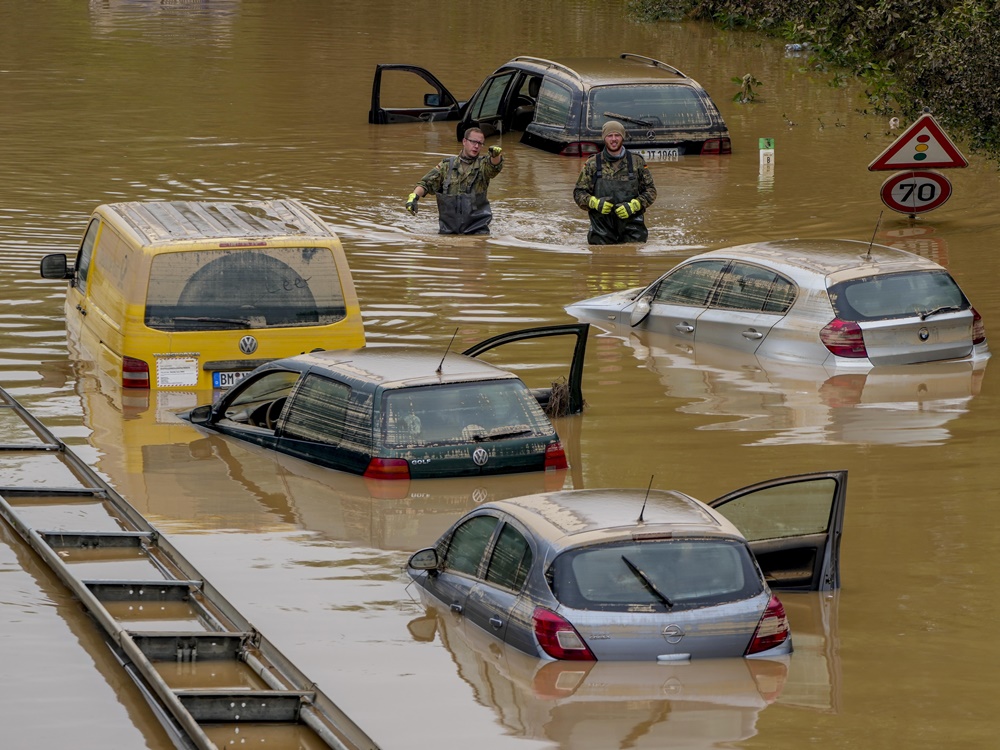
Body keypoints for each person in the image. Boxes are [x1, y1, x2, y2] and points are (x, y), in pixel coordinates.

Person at [405, 127, 504, 235]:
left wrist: (496, 155)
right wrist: (414, 196)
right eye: (473, 142)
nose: (476, 146)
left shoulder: (483, 165)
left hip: (477, 231)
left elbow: (494, 167)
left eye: (480, 143)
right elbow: (426, 184)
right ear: (464, 141)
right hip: (448, 231)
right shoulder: (447, 166)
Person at [573, 120, 657, 245]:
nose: (613, 139)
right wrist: (593, 202)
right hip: (601, 231)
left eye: (617, 135)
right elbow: (578, 193)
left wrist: (635, 205)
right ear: (604, 138)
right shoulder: (592, 163)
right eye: (609, 135)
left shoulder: (636, 162)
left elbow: (651, 191)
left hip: (633, 231)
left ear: (622, 137)